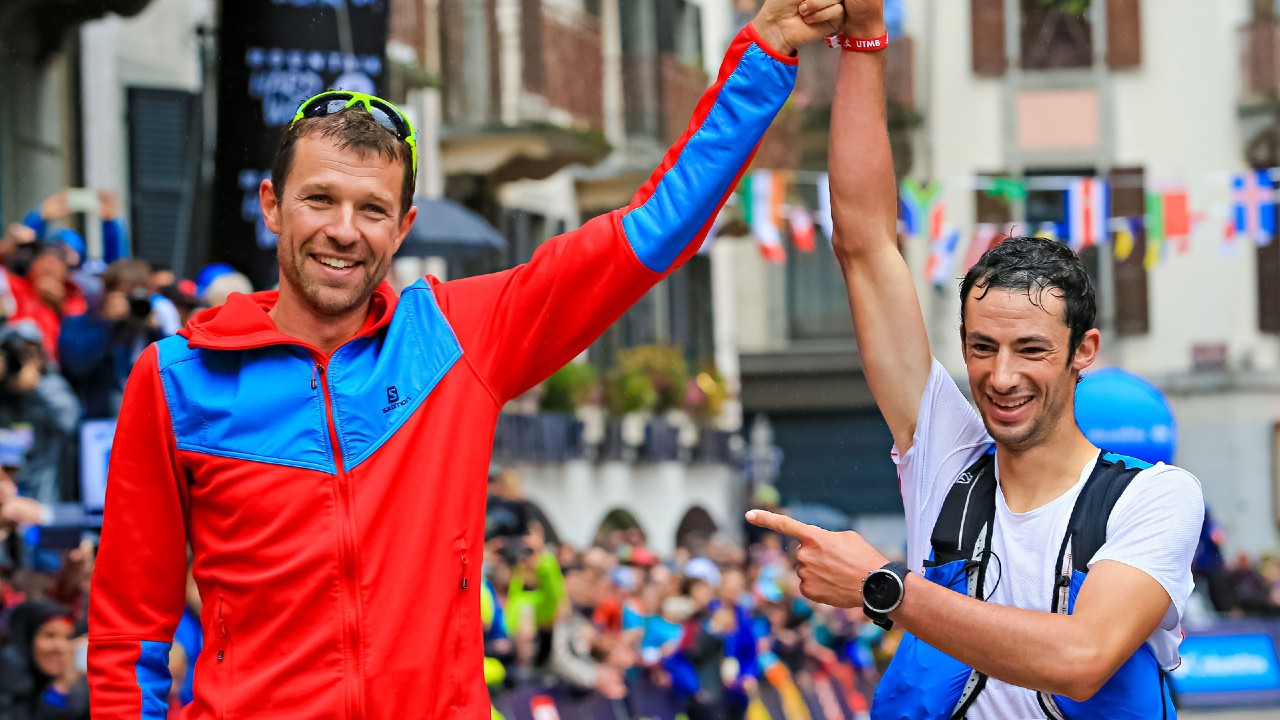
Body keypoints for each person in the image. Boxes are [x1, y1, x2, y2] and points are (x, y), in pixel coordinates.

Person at [87, 1, 846, 716]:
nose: (344, 230)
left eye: (373, 209)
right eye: (320, 200)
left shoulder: (456, 337)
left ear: (404, 225)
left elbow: (652, 231)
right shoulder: (175, 378)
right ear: (271, 206)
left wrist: (768, 49)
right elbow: (128, 638)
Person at [745, 0, 1204, 717]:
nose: (1001, 375)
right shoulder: (947, 458)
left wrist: (884, 585)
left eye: (1031, 351)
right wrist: (863, 39)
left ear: (1084, 351)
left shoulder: (1155, 497)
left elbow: (1081, 659)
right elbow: (864, 244)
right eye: (981, 347)